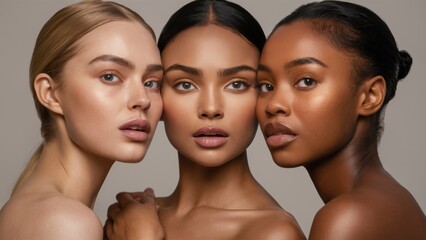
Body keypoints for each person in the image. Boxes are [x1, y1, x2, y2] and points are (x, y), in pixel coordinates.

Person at [104, 0, 305, 239]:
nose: (210, 108)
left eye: (237, 84)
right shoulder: (130, 217)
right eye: (185, 84)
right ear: (156, 94)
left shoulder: (273, 232)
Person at [256, 1, 426, 239]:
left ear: (369, 96)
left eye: (306, 81)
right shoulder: (387, 201)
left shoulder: (350, 218)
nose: (273, 104)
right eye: (266, 85)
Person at [0, 1, 164, 239]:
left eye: (151, 82)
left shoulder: (35, 210)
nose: (142, 99)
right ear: (50, 93)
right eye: (110, 76)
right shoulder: (65, 223)